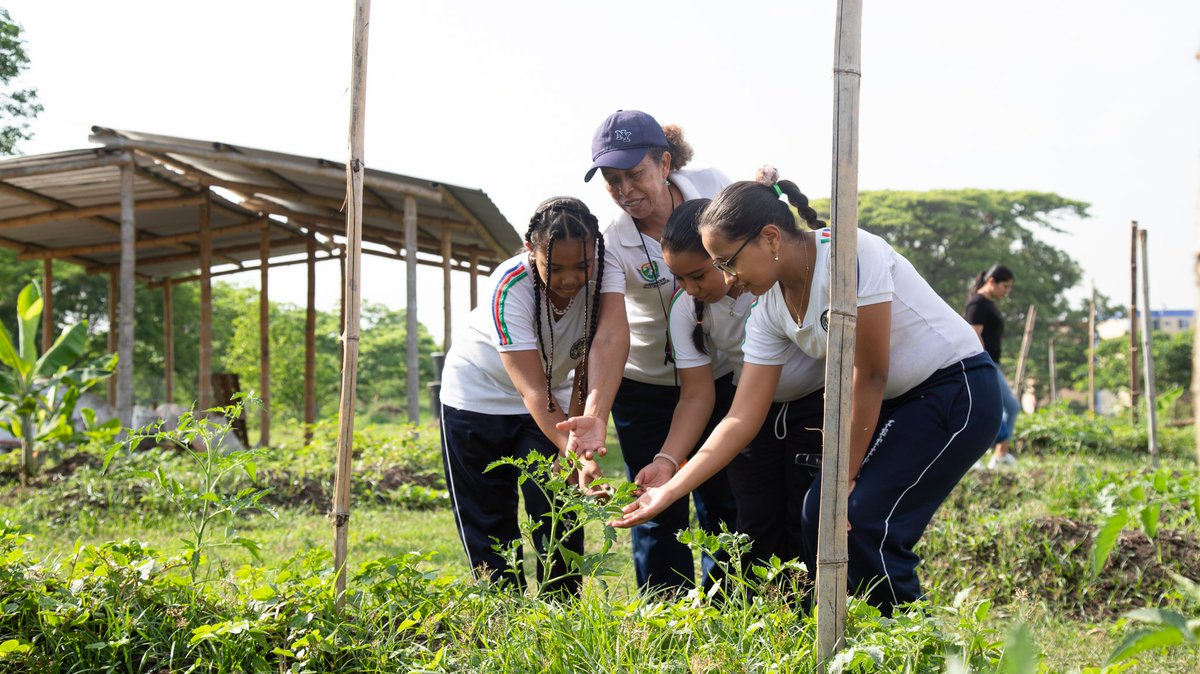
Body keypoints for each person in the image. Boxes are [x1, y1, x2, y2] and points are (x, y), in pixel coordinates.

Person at [612, 168, 1002, 615]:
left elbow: (869, 374)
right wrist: (672, 487)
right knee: (824, 514)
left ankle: (913, 647)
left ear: (771, 238)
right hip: (901, 403)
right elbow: (740, 419)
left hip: (956, 388)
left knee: (863, 520)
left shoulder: (849, 255)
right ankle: (870, 637)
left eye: (727, 262)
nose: (729, 279)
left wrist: (843, 477)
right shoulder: (771, 309)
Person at [573, 109, 739, 594]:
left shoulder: (712, 187)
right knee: (652, 501)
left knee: (723, 497)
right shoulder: (612, 239)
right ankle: (664, 618)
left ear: (665, 164)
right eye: (612, 180)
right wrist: (595, 413)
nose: (625, 191)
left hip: (721, 372)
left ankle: (727, 613)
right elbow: (610, 333)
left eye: (635, 175)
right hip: (645, 385)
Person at [439, 196, 615, 596]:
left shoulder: (604, 281)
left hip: (555, 396)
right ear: (529, 251)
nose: (571, 278)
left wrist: (576, 458)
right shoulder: (509, 285)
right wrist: (576, 454)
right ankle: (506, 617)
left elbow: (589, 365)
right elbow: (530, 388)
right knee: (488, 517)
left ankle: (563, 613)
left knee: (556, 504)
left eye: (582, 265)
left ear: (596, 252)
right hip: (478, 397)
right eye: (556, 267)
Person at [647, 198, 825, 571]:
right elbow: (696, 395)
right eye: (678, 278)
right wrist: (666, 461)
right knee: (755, 523)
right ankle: (768, 619)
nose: (689, 288)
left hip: (812, 408)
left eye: (698, 274)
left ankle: (815, 617)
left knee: (807, 518)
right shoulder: (686, 309)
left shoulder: (768, 286)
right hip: (750, 415)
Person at [965, 265, 1021, 469]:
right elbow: (973, 335)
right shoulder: (977, 303)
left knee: (1011, 407)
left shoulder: (987, 303)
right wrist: (983, 364)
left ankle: (1000, 454)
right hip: (983, 364)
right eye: (1005, 286)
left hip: (992, 363)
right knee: (993, 409)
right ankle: (976, 455)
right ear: (991, 282)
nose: (1007, 291)